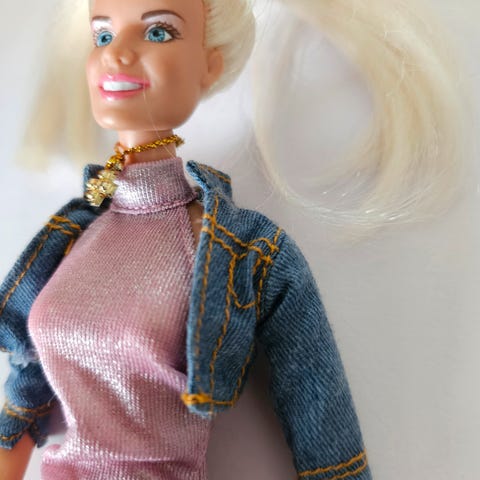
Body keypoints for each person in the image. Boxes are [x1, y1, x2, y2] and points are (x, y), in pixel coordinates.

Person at [0, 0, 469, 478]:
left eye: (158, 32)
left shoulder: (244, 250)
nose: (116, 54)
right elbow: (24, 394)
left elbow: (320, 421)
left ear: (210, 64)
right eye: (103, 35)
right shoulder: (70, 238)